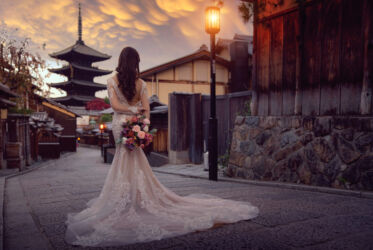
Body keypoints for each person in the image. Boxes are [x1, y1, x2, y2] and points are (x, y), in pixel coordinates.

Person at [65, 47, 259, 247]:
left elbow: (115, 106)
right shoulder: (140, 83)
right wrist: (143, 125)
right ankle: (134, 197)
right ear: (135, 63)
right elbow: (145, 109)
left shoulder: (113, 81)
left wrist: (140, 122)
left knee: (125, 157)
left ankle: (128, 197)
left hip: (120, 123)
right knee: (132, 158)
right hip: (134, 122)